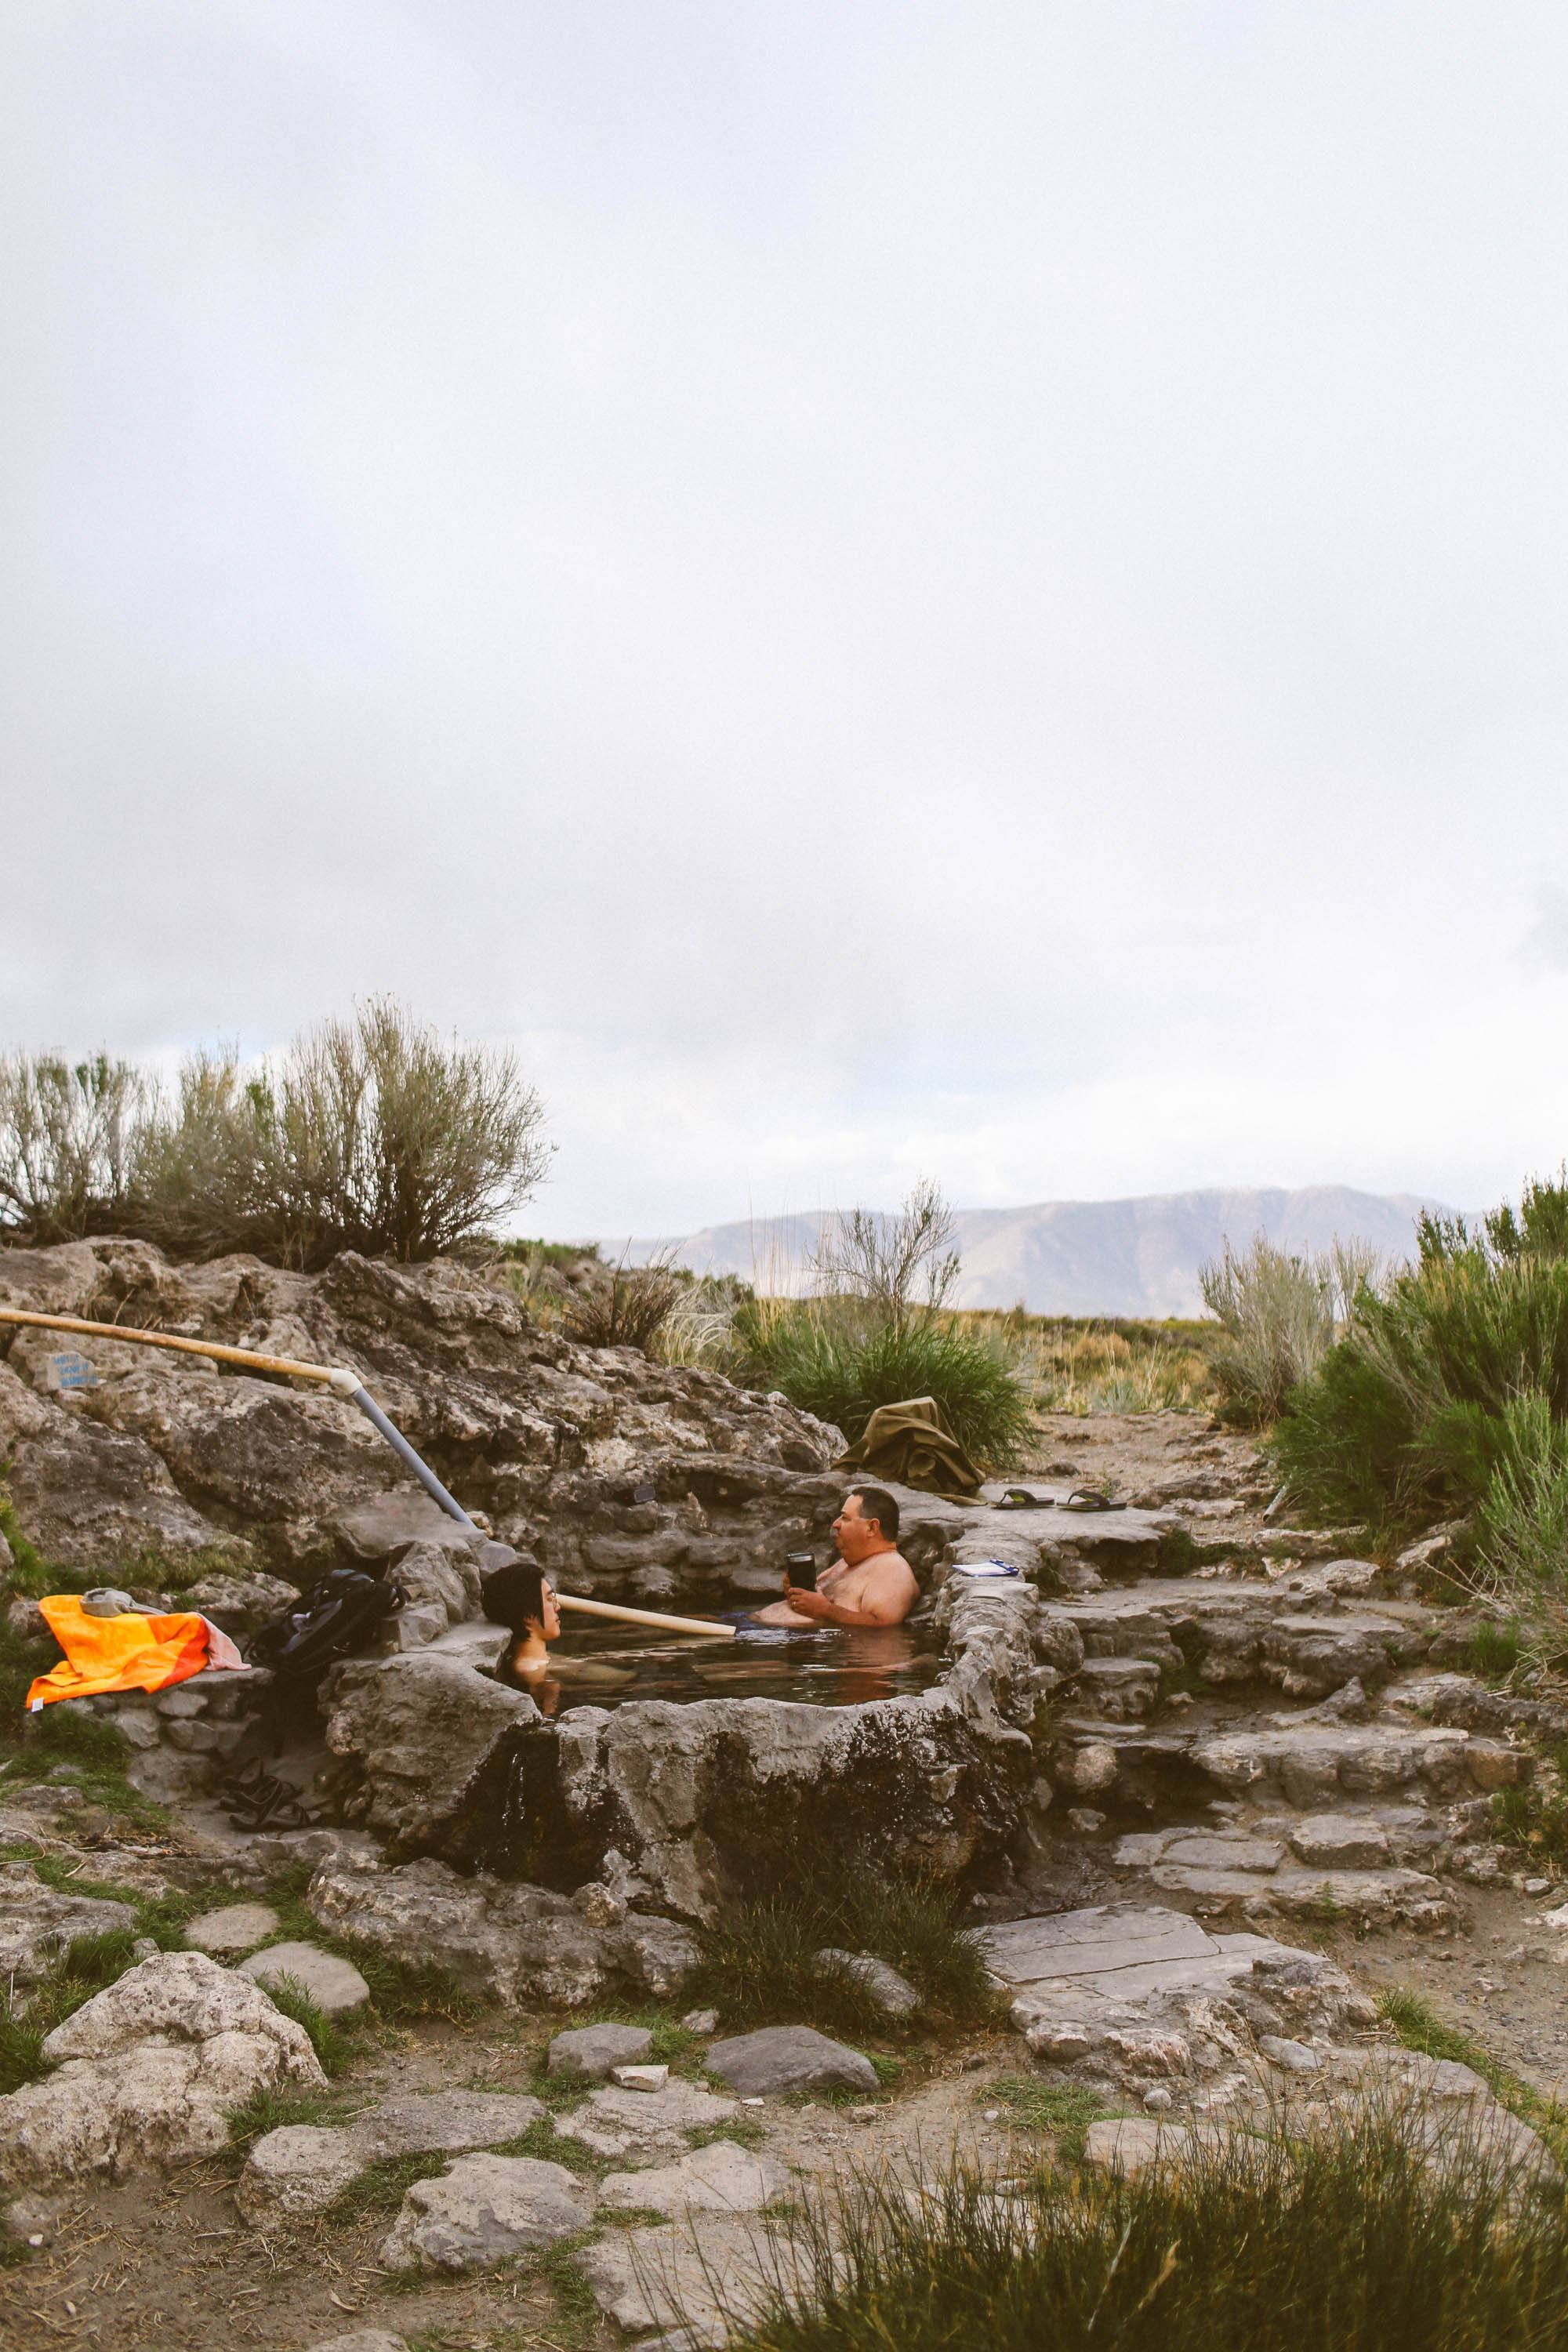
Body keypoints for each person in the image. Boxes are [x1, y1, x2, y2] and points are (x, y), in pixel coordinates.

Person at [752, 1486, 920, 1629]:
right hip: (759, 1630)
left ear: (872, 1527)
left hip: (792, 1651)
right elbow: (816, 1605)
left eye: (845, 1518)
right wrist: (796, 1595)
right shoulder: (851, 1563)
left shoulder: (893, 1569)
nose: (836, 1524)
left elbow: (883, 1624)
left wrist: (825, 1611)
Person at [481, 1554, 561, 1690]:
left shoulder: (541, 1662)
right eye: (549, 1600)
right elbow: (547, 1710)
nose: (558, 1607)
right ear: (528, 1616)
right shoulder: (532, 1671)